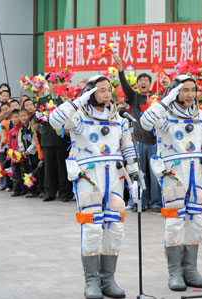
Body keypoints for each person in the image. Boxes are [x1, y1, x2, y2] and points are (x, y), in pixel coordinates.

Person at [50, 75, 138, 299]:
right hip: (89, 178)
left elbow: (127, 147)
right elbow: (55, 120)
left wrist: (135, 176)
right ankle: (91, 281)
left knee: (115, 229)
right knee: (92, 228)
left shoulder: (119, 119)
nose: (108, 94)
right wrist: (79, 101)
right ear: (90, 93)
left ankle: (108, 279)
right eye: (101, 90)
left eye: (109, 89)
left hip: (116, 179)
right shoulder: (78, 118)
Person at [141, 75, 202, 291]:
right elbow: (145, 122)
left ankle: (191, 269)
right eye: (185, 90)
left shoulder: (201, 116)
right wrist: (166, 100)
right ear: (175, 92)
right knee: (175, 222)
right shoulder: (164, 115)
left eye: (193, 90)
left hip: (195, 172)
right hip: (173, 174)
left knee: (196, 221)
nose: (190, 94)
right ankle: (174, 271)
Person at [114, 55, 162, 212]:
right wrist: (121, 69)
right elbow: (125, 85)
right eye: (140, 80)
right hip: (138, 141)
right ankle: (141, 201)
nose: (143, 82)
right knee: (139, 173)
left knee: (155, 174)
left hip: (153, 142)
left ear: (150, 84)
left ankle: (156, 202)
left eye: (146, 80)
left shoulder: (155, 100)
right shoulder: (134, 97)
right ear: (138, 84)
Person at [37, 73, 73, 202]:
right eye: (52, 83)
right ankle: (49, 192)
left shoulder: (64, 99)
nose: (54, 85)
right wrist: (43, 116)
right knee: (49, 167)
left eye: (57, 83)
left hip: (62, 137)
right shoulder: (42, 100)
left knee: (62, 167)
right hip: (47, 137)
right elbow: (37, 117)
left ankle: (64, 193)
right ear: (48, 84)